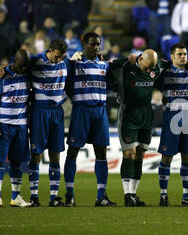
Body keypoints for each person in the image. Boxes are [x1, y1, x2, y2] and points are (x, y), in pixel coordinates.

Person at [63, 32, 116, 207]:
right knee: (73, 151)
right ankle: (69, 194)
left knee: (101, 153)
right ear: (84, 44)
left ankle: (101, 196)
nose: (96, 47)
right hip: (81, 111)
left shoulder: (104, 65)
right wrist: (70, 61)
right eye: (92, 44)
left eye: (98, 44)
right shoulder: (75, 63)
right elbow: (66, 81)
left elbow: (112, 84)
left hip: (100, 111)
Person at [111, 49, 164, 207]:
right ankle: (127, 194)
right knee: (129, 152)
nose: (149, 71)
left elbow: (172, 63)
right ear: (140, 58)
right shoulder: (127, 65)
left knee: (140, 154)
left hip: (146, 113)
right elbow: (109, 64)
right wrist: (125, 59)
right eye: (147, 67)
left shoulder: (156, 66)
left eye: (151, 68)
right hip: (129, 113)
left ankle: (133, 194)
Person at [156, 43, 188, 206]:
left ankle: (186, 196)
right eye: (180, 54)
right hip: (171, 117)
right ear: (172, 57)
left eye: (185, 54)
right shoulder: (165, 73)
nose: (183, 57)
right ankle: (163, 195)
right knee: (166, 156)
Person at [26, 39, 69, 207]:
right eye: (57, 57)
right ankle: (34, 196)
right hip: (39, 111)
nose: (59, 61)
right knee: (36, 154)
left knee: (55, 154)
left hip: (57, 112)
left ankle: (54, 197)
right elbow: (17, 66)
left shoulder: (66, 62)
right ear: (50, 50)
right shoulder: (35, 61)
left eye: (61, 58)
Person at [0, 49, 31, 207]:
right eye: (22, 65)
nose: (24, 68)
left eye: (26, 65)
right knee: (0, 161)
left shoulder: (27, 75)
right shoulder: (3, 76)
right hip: (4, 124)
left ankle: (15, 197)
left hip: (21, 125)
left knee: (16, 162)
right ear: (15, 61)